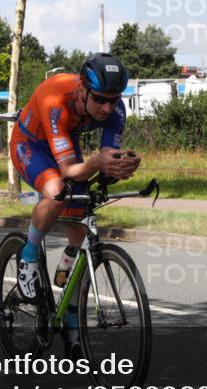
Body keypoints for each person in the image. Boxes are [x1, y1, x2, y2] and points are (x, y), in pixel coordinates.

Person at [10, 53, 140, 355]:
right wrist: (96, 163)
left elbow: (106, 158)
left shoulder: (115, 110)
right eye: (99, 100)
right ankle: (28, 256)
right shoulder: (55, 98)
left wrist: (120, 166)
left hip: (66, 145)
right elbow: (69, 170)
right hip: (30, 145)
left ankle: (69, 311)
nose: (106, 108)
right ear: (82, 89)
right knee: (57, 190)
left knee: (81, 224)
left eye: (113, 100)